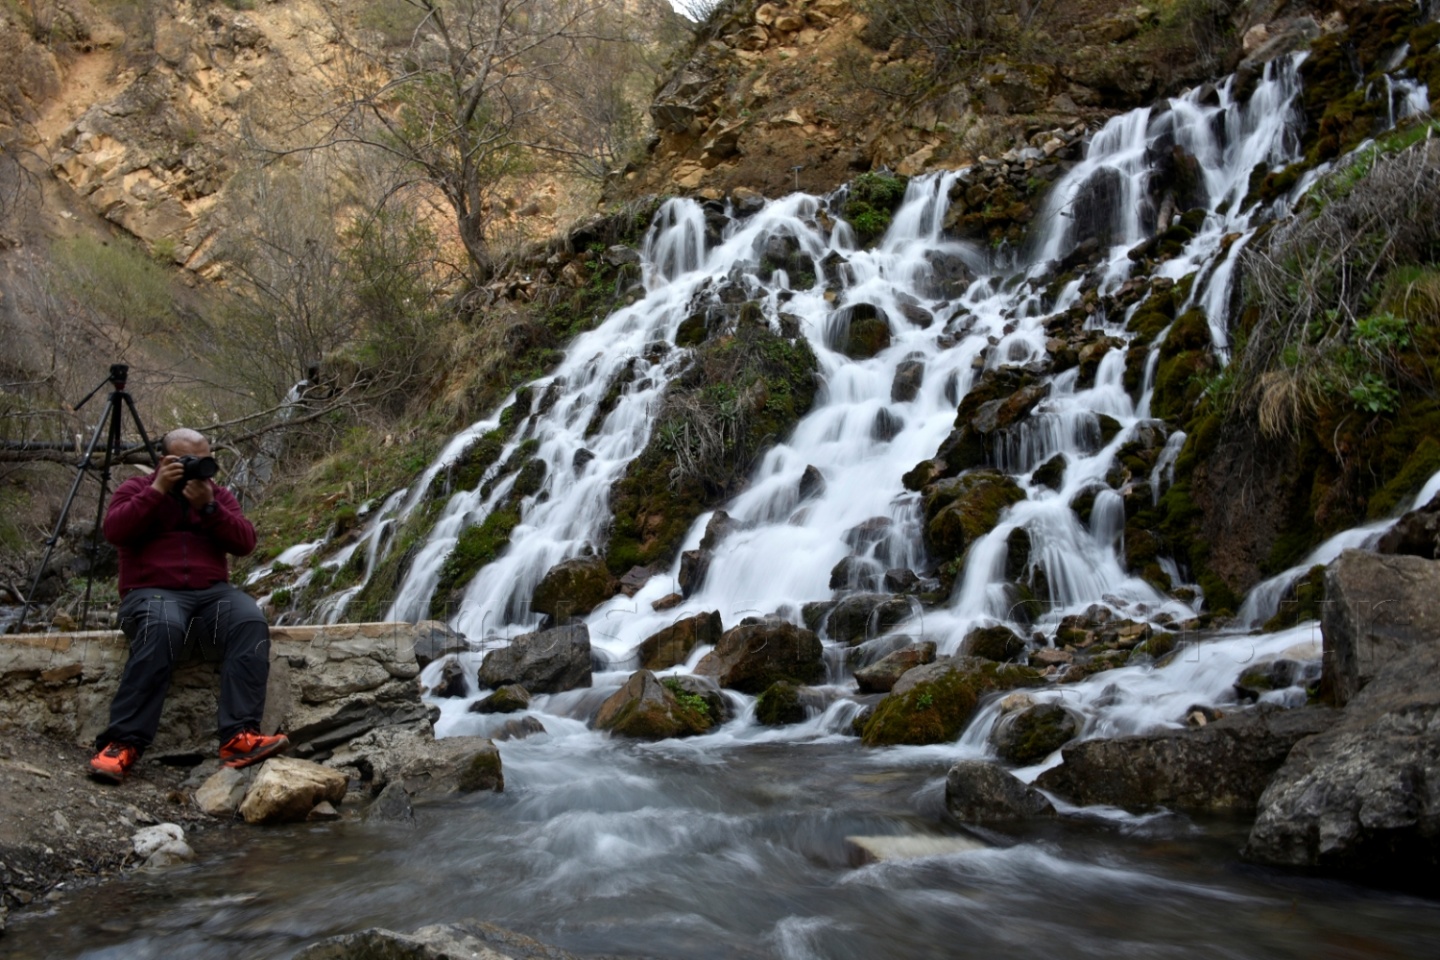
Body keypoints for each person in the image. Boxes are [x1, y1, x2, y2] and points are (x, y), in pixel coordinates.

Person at [88, 428, 289, 782]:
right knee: (162, 626)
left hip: (211, 593)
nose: (195, 467)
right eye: (185, 461)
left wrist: (208, 508)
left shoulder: (217, 496)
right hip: (150, 592)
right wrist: (157, 491)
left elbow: (245, 543)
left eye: (203, 460)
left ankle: (239, 737)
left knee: (249, 621)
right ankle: (122, 743)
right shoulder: (136, 489)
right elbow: (115, 531)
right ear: (163, 460)